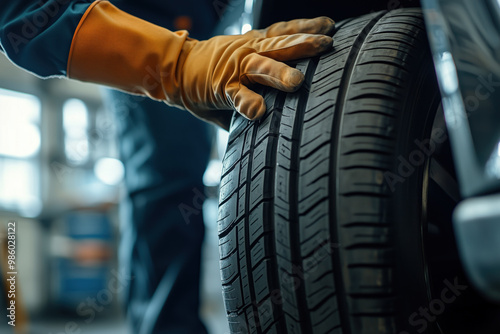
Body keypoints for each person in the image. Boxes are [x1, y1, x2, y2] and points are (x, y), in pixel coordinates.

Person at [0, 1, 335, 333]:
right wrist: (177, 62)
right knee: (169, 180)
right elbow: (24, 11)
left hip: (208, 22)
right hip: (140, 19)